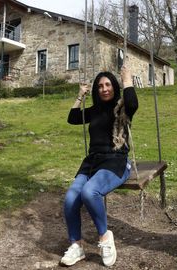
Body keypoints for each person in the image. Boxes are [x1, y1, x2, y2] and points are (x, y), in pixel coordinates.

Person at [60, 64, 138, 267]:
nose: (104, 89)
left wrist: (127, 79)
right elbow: (72, 118)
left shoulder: (122, 107)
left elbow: (133, 103)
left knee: (89, 192)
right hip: (92, 163)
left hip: (115, 161)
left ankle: (104, 238)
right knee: (70, 199)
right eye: (100, 86)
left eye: (108, 85)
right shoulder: (94, 110)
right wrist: (80, 95)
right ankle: (76, 246)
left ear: (114, 86)